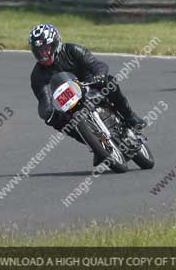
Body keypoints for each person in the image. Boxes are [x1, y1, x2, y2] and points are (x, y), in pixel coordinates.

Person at [28, 23, 145, 164]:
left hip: (90, 85)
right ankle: (96, 146)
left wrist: (99, 76)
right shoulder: (37, 76)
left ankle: (130, 116)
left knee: (109, 81)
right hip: (69, 103)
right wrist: (47, 112)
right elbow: (43, 99)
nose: (44, 54)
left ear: (55, 43)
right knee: (53, 120)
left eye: (46, 48)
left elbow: (97, 65)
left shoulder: (72, 50)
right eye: (39, 51)